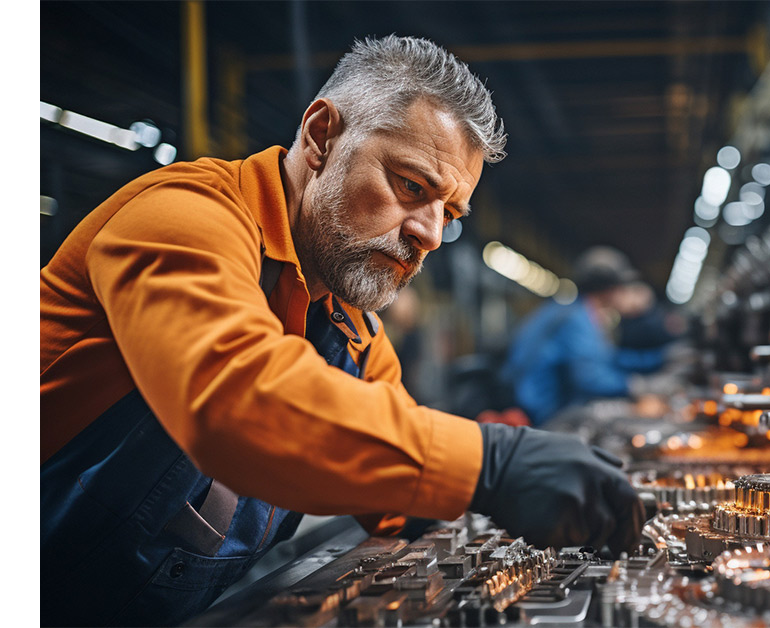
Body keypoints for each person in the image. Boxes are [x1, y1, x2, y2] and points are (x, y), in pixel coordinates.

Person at [40, 36, 642, 627]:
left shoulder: (349, 329)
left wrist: (515, 505)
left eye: (449, 212)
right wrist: (493, 464)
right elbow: (234, 402)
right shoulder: (183, 216)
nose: (431, 234)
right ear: (322, 135)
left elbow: (397, 483)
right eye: (412, 186)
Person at [503, 246, 667, 426]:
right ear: (608, 288)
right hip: (546, 415)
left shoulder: (579, 311)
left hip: (551, 406)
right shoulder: (576, 319)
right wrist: (636, 386)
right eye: (620, 286)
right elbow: (590, 378)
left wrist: (660, 358)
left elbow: (606, 359)